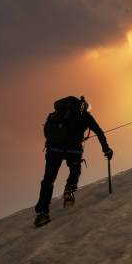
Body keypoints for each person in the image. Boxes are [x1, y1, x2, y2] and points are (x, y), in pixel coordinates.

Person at [34, 96, 113, 227]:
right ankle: (69, 190)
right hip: (73, 150)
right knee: (75, 169)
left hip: (54, 149)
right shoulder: (86, 115)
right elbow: (98, 131)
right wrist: (106, 149)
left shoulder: (59, 113)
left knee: (48, 180)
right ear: (86, 106)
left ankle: (42, 213)